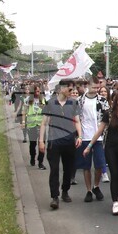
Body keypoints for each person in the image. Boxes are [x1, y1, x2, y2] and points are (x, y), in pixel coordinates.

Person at [86, 89, 118, 215]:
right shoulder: (109, 114)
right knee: (114, 173)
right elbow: (100, 130)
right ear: (115, 100)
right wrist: (89, 146)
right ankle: (115, 202)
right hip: (111, 147)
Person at [38, 80, 82, 210]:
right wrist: (41, 141)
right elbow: (44, 123)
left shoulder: (74, 103)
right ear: (62, 88)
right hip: (54, 141)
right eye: (69, 89)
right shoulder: (50, 103)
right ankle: (54, 196)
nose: (72, 91)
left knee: (68, 168)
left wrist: (79, 136)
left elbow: (77, 121)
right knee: (54, 169)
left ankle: (65, 191)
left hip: (69, 140)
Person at [75, 80, 107, 203]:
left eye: (97, 86)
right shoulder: (80, 100)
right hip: (85, 136)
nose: (95, 88)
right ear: (87, 86)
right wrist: (79, 135)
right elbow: (77, 118)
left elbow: (106, 117)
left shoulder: (102, 100)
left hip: (98, 137)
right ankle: (88, 190)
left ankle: (96, 186)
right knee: (86, 165)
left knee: (99, 164)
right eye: (93, 86)